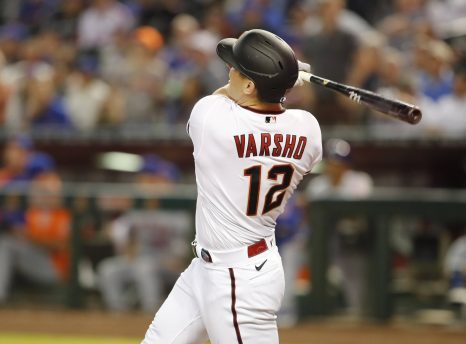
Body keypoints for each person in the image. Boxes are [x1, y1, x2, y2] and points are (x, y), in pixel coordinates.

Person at [142, 29, 322, 343]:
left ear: (251, 85)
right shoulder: (308, 129)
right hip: (214, 267)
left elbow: (224, 95)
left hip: (240, 278)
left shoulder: (211, 120)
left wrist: (284, 79)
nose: (229, 71)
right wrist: (281, 81)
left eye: (236, 70)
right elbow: (269, 109)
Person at [97, 155, 191, 313]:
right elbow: (119, 235)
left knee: (144, 267)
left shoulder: (181, 210)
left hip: (170, 264)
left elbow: (183, 252)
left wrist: (176, 258)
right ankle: (119, 318)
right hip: (141, 260)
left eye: (154, 180)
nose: (147, 184)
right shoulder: (137, 208)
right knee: (108, 269)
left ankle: (151, 316)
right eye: (146, 180)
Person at [306, 138, 373, 317]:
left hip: (354, 240)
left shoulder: (360, 181)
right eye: (331, 162)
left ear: (347, 165)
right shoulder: (318, 185)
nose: (334, 167)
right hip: (323, 240)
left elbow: (358, 211)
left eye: (339, 163)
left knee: (355, 280)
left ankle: (360, 314)